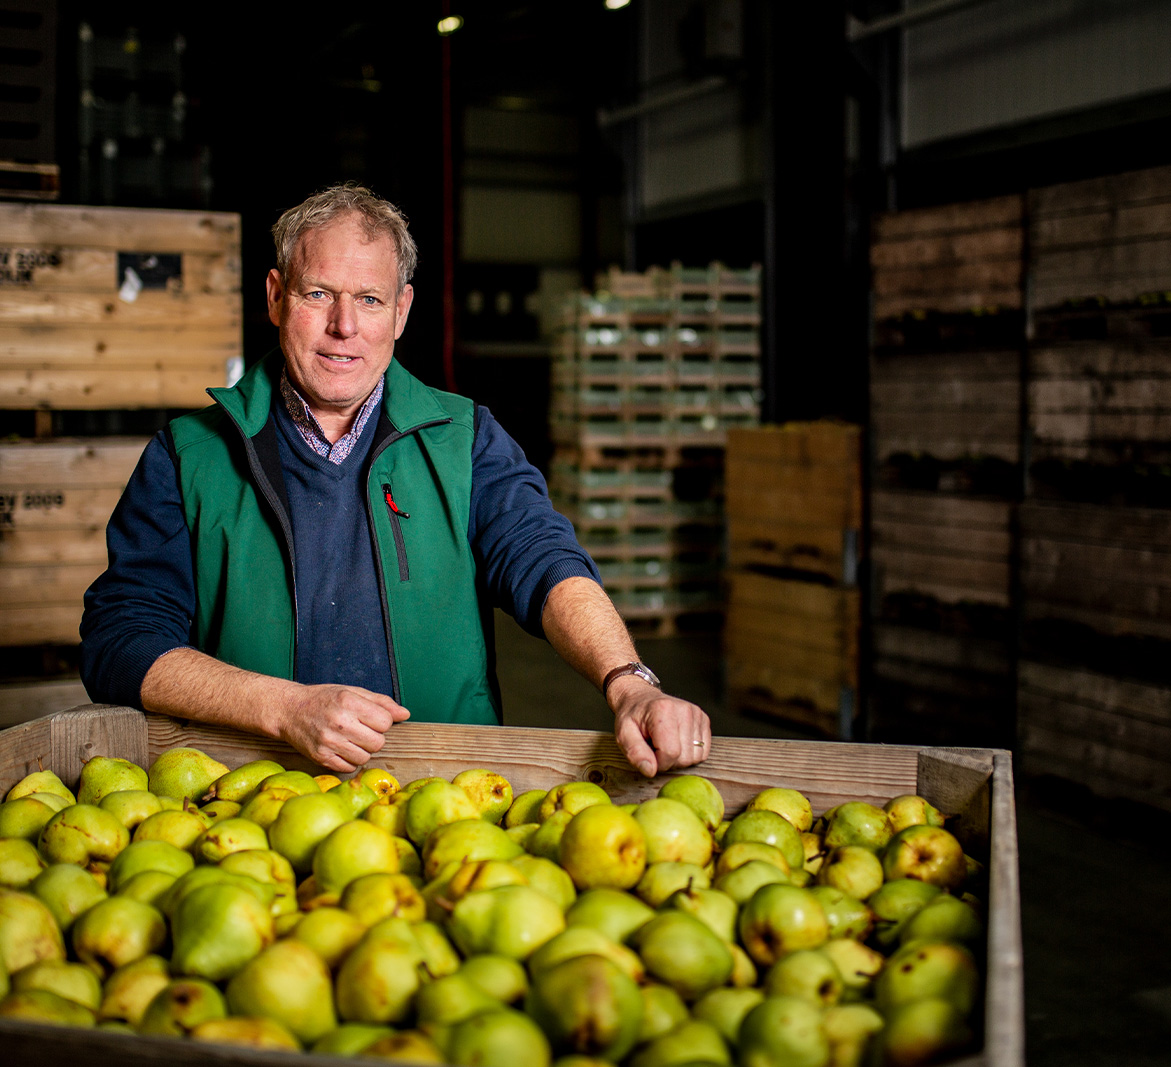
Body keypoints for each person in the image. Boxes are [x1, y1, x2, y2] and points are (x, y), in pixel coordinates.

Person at [80, 183, 711, 778]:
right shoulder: (189, 457)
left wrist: (627, 682)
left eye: (371, 299)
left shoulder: (464, 438)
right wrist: (282, 708)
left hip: (453, 799)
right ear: (275, 297)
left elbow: (544, 562)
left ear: (402, 310)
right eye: (318, 294)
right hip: (250, 805)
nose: (344, 327)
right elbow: (120, 641)